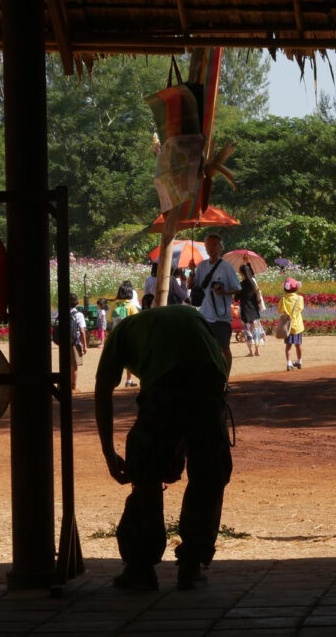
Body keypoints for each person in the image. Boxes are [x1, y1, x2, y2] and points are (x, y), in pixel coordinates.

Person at [94, 305, 232, 592]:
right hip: (209, 385)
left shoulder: (120, 333)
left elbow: (103, 390)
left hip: (165, 388)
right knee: (208, 475)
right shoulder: (191, 314)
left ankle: (140, 568)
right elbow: (224, 356)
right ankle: (191, 566)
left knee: (145, 475)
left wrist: (109, 452)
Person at [190, 233, 242, 388]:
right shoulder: (201, 266)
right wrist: (192, 272)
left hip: (221, 316)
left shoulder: (226, 267)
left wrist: (224, 292)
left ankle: (226, 380)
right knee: (206, 349)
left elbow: (237, 289)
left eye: (214, 245)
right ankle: (210, 379)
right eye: (208, 245)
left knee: (224, 348)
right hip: (205, 314)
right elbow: (191, 286)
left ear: (220, 247)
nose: (210, 248)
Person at [236, 263, 265, 357]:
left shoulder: (241, 285)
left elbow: (236, 298)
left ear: (241, 273)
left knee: (247, 331)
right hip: (254, 310)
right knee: (256, 330)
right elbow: (252, 275)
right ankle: (257, 351)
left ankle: (251, 352)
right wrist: (247, 264)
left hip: (245, 310)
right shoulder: (253, 283)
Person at [60, 293, 87, 391]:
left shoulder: (61, 313)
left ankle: (63, 385)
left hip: (63, 342)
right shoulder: (79, 315)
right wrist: (85, 346)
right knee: (74, 366)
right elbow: (82, 331)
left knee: (65, 364)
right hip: (75, 343)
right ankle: (73, 387)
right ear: (77, 303)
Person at [279, 277, 305, 370]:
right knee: (298, 345)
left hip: (288, 326)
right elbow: (301, 309)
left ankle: (289, 363)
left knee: (288, 346)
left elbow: (280, 310)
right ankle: (299, 361)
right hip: (297, 326)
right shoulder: (300, 298)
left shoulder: (283, 299)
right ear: (296, 288)